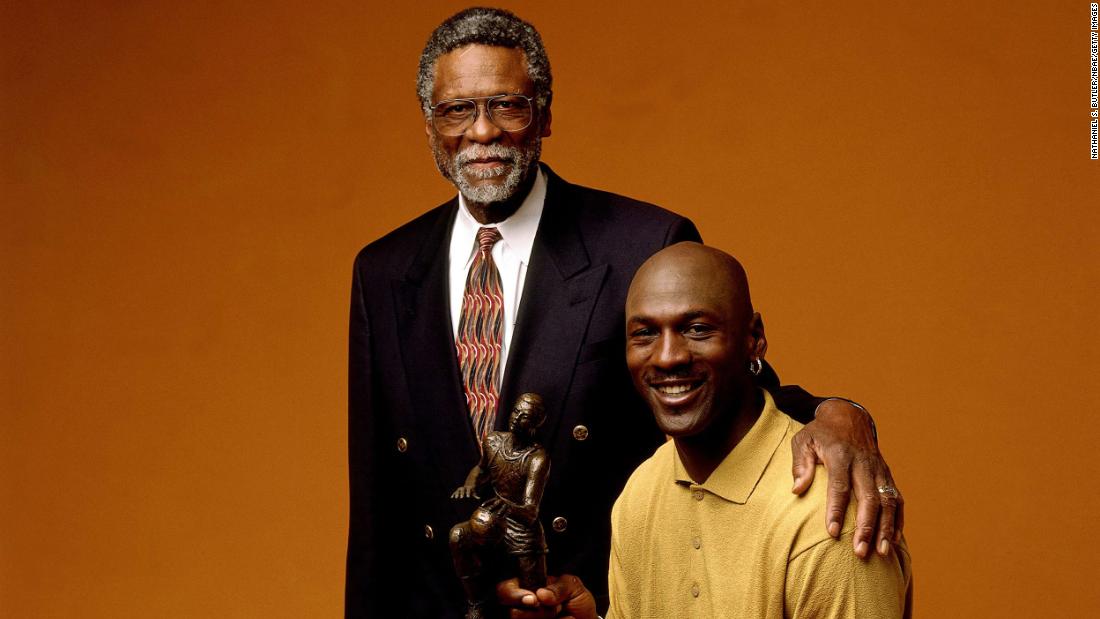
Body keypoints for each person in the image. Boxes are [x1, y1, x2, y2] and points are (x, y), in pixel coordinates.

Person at [346, 8, 901, 618]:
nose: (483, 132)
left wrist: (840, 414)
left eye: (508, 105)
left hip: (590, 605)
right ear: (430, 124)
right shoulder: (384, 270)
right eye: (458, 110)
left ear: (545, 114)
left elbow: (729, 385)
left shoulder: (640, 242)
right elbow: (376, 507)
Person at [499, 243, 912, 618]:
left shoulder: (830, 522)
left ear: (754, 339)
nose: (667, 357)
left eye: (697, 329)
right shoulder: (640, 493)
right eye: (644, 333)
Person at [450, 393, 552, 619]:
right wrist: (469, 484)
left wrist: (506, 505)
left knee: (534, 601)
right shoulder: (494, 441)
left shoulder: (537, 458)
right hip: (494, 519)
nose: (516, 418)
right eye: (516, 411)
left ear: (536, 423)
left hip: (523, 529)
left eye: (525, 416)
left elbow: (531, 512)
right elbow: (481, 469)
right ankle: (476, 602)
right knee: (458, 535)